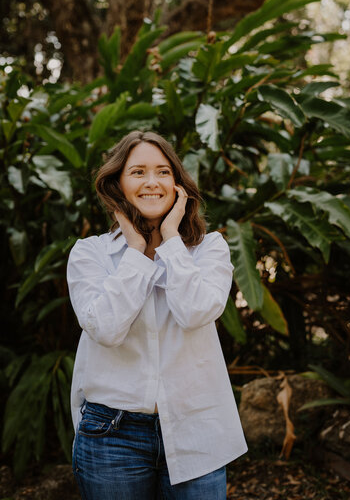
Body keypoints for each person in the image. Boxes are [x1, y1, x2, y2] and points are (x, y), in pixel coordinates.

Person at [67, 130, 247, 500]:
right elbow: (107, 329)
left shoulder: (209, 249)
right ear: (117, 182)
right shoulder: (91, 254)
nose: (152, 182)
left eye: (163, 172)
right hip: (111, 434)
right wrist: (135, 250)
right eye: (138, 172)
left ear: (178, 185)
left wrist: (170, 240)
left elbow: (196, 311)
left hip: (198, 427)